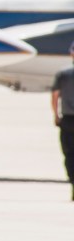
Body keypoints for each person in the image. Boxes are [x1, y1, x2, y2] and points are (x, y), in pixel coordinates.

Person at [50, 42, 74, 200]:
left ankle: (73, 182)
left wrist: (56, 115)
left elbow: (55, 96)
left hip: (68, 119)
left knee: (69, 153)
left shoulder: (63, 73)